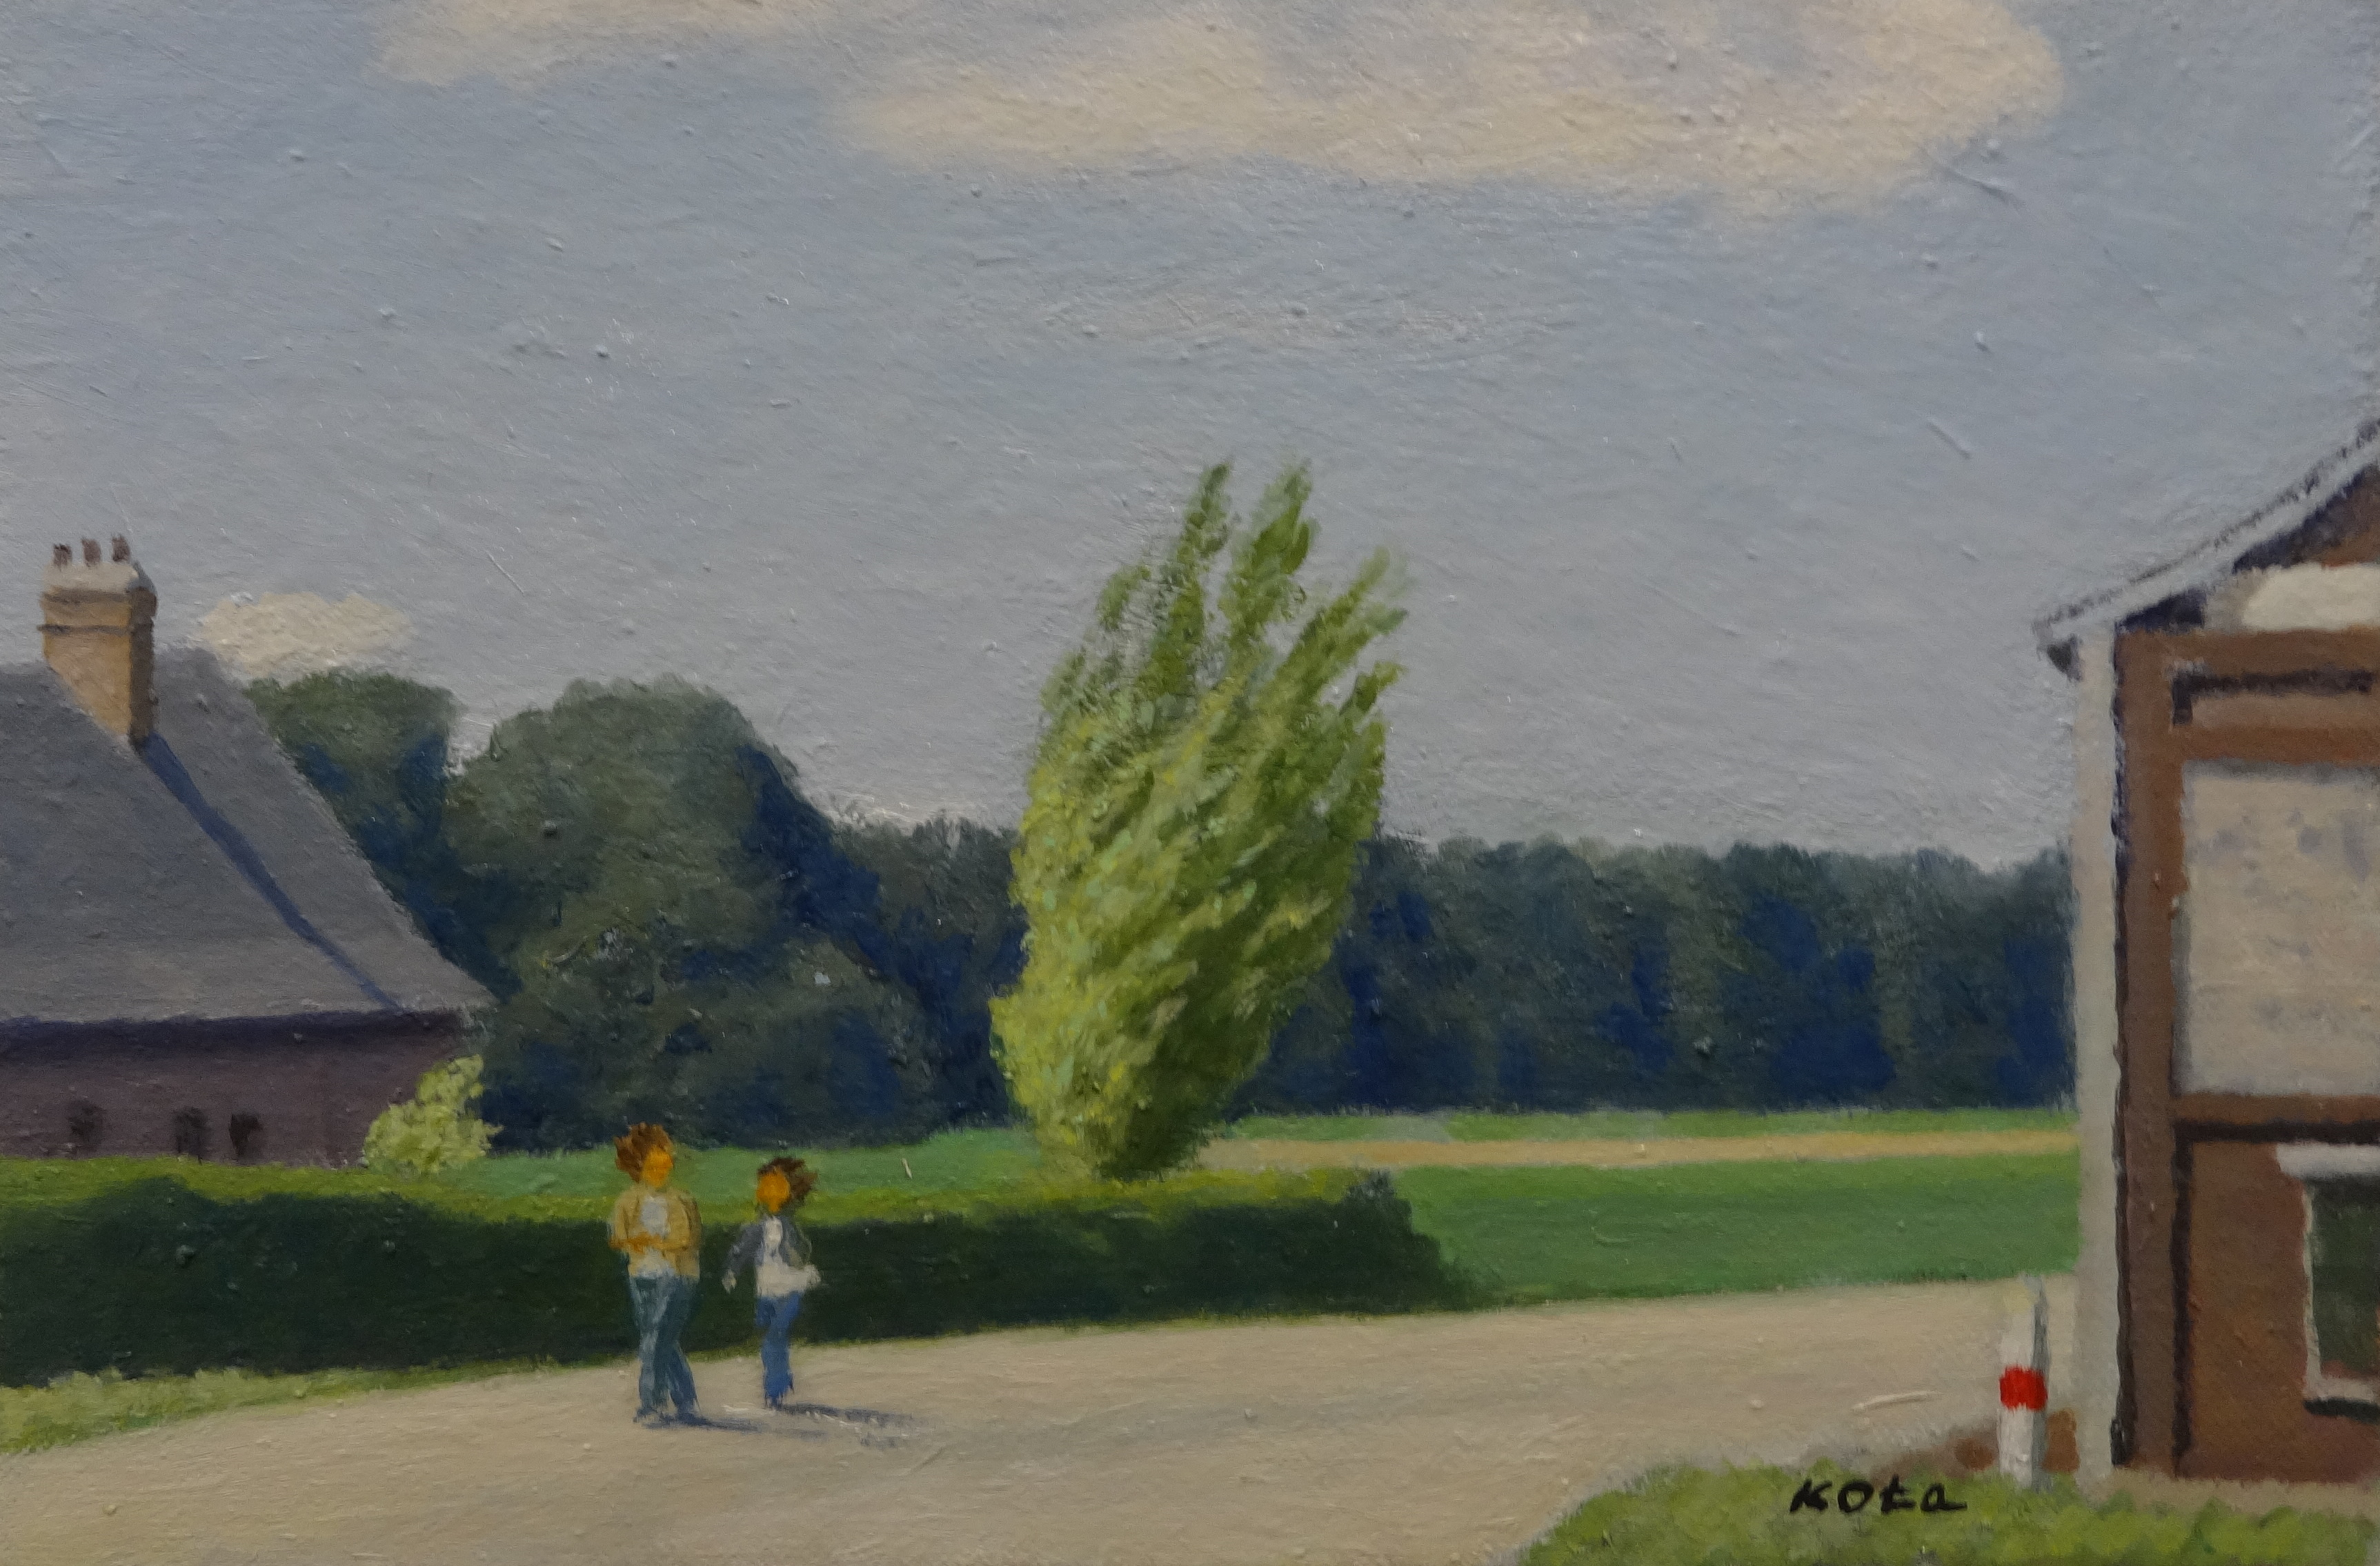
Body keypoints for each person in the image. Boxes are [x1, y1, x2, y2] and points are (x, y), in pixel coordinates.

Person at [607, 1123, 702, 1426]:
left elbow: (687, 1240)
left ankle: (652, 1403)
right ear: (640, 1164)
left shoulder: (681, 1200)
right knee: (662, 1339)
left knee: (654, 1339)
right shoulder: (628, 1200)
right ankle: (686, 1400)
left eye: (666, 1159)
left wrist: (660, 1243)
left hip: (674, 1276)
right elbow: (617, 1237)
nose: (663, 1167)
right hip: (641, 1276)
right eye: (655, 1164)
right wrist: (635, 1240)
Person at [723, 1155, 822, 1412]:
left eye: (776, 1184)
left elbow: (803, 1250)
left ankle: (775, 1389)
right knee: (767, 1335)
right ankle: (779, 1381)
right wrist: (732, 1272)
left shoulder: (789, 1226)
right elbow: (741, 1250)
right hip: (766, 1290)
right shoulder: (758, 1227)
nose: (769, 1189)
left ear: (789, 1190)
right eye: (766, 1185)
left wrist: (795, 1256)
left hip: (790, 1288)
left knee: (775, 1337)